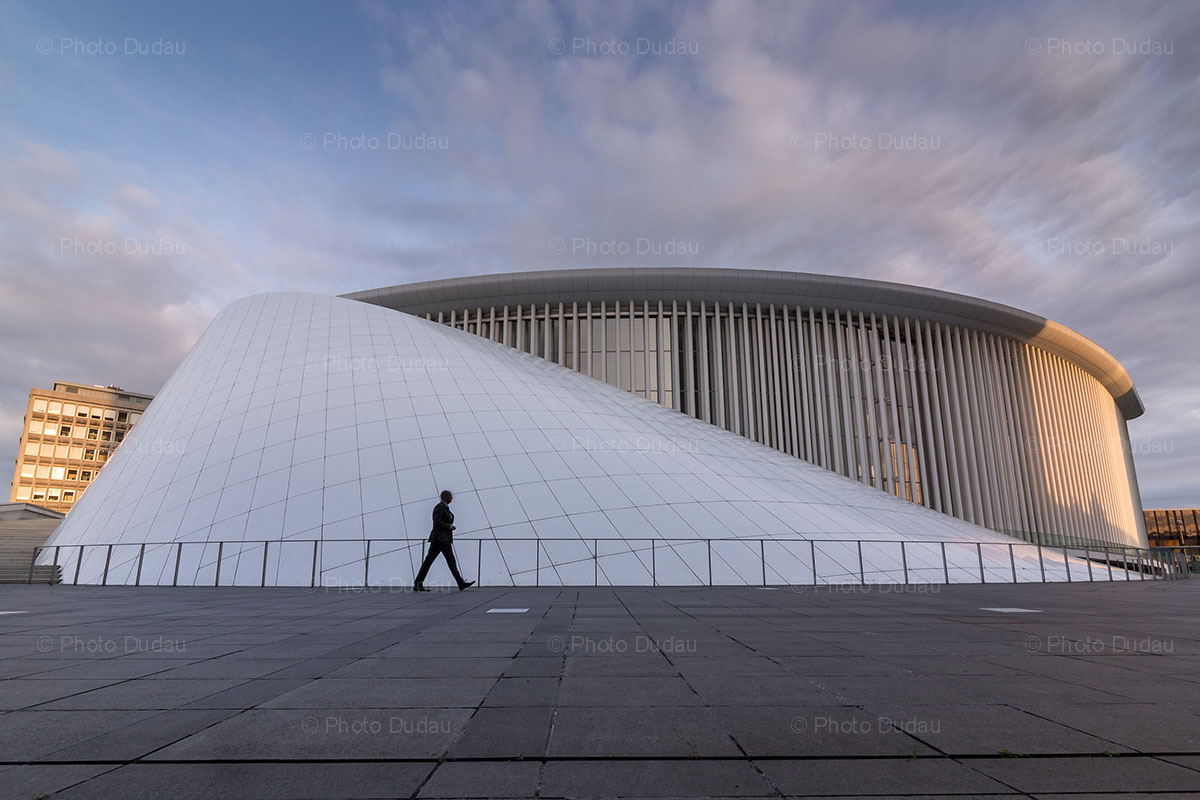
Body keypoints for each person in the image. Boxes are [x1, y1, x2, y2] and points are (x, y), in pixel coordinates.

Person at [413, 490, 474, 591]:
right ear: (445, 497)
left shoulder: (444, 507)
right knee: (431, 562)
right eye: (450, 496)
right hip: (439, 540)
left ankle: (460, 583)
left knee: (448, 562)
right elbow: (437, 521)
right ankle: (418, 583)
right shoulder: (439, 507)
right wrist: (449, 526)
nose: (452, 498)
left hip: (444, 540)